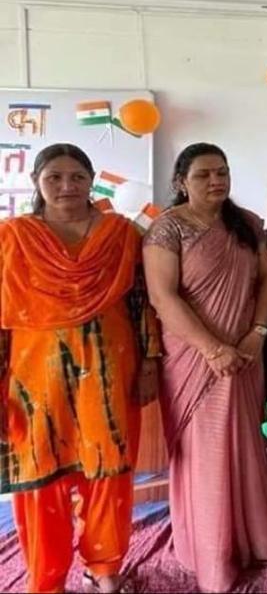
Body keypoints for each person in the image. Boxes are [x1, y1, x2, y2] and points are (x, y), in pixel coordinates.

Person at [0, 144, 160, 594]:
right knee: (39, 481)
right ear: (36, 182)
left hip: (109, 371)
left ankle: (104, 568)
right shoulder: (12, 237)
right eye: (54, 177)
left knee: (109, 471)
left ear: (92, 181)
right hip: (34, 380)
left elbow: (142, 300)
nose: (67, 186)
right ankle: (47, 579)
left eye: (77, 177)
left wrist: (150, 361)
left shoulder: (120, 233)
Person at [144, 143, 267, 593]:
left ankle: (254, 539)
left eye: (221, 172)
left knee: (245, 444)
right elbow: (163, 297)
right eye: (204, 174)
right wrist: (211, 348)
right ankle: (212, 554)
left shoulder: (246, 224)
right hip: (194, 359)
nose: (215, 181)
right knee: (205, 456)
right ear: (181, 182)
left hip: (244, 354)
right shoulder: (167, 229)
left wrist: (256, 334)